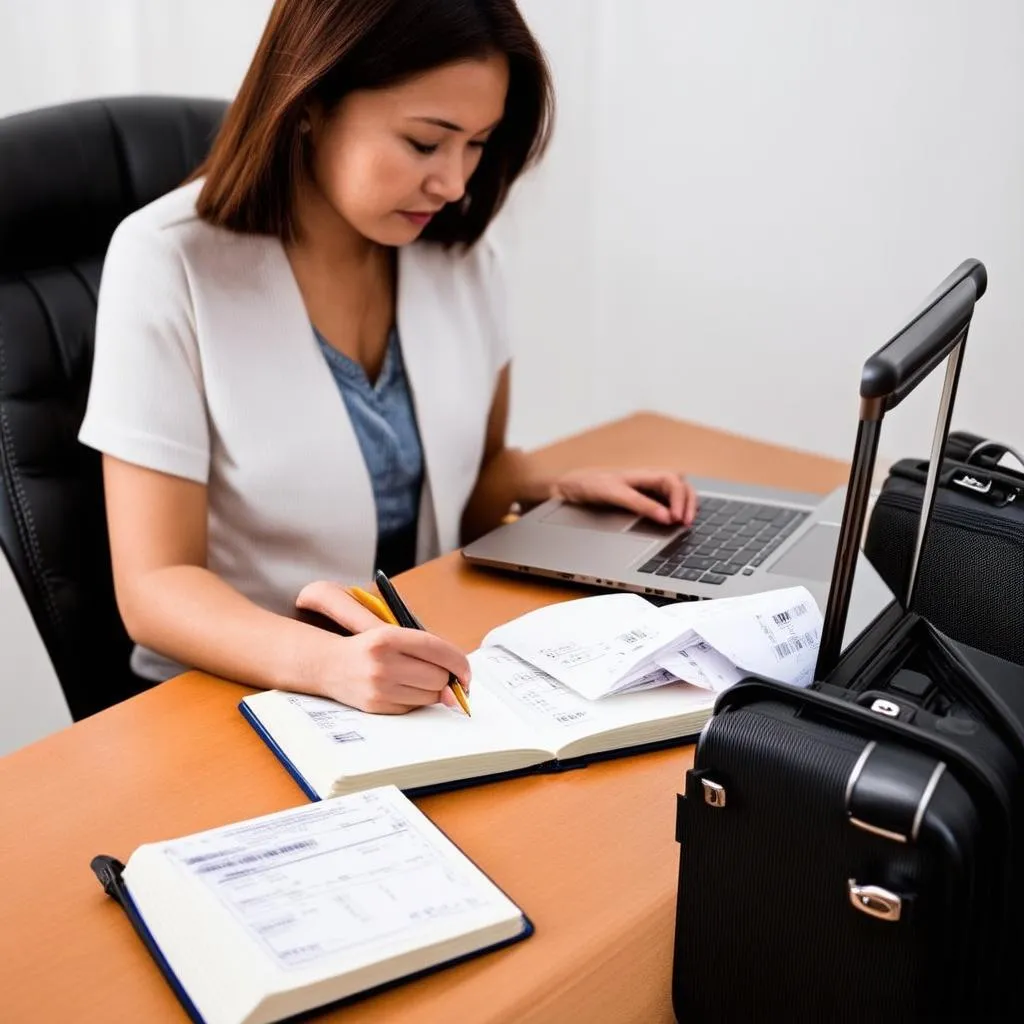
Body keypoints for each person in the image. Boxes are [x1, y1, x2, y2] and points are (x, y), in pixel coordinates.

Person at [79, 0, 698, 715]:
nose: (455, 183)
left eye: (478, 144)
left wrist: (548, 484)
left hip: (420, 675)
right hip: (236, 699)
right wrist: (328, 665)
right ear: (311, 103)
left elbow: (461, 496)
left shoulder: (459, 254)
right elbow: (155, 586)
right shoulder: (165, 260)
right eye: (425, 142)